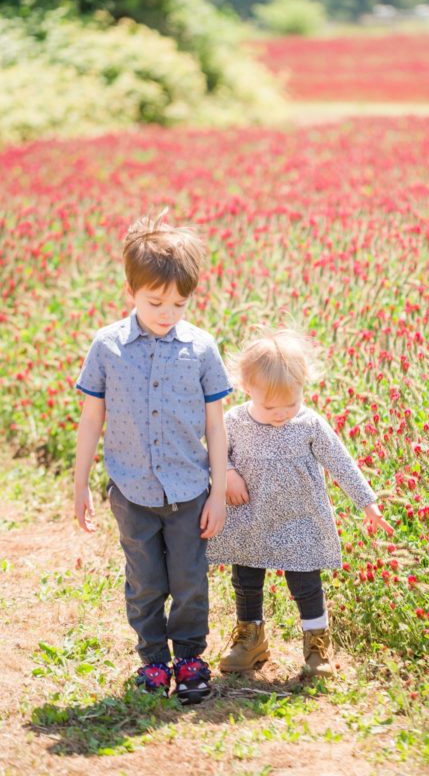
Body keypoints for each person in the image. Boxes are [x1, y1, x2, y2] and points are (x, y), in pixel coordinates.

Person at [73, 211, 231, 704]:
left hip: (189, 490)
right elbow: (92, 419)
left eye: (179, 303)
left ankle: (189, 658)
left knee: (188, 580)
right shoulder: (108, 346)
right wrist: (79, 485)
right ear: (131, 292)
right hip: (132, 490)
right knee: (144, 582)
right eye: (154, 301)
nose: (167, 312)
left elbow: (216, 424)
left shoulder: (202, 348)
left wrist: (220, 491)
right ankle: (154, 662)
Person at [207, 327, 393, 677]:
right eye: (270, 406)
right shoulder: (233, 421)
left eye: (291, 403)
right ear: (247, 390)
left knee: (306, 582)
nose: (281, 413)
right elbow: (214, 452)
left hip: (300, 518)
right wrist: (228, 473)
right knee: (246, 579)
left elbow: (341, 461)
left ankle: (316, 643)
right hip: (250, 517)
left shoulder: (309, 424)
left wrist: (367, 502)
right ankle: (250, 637)